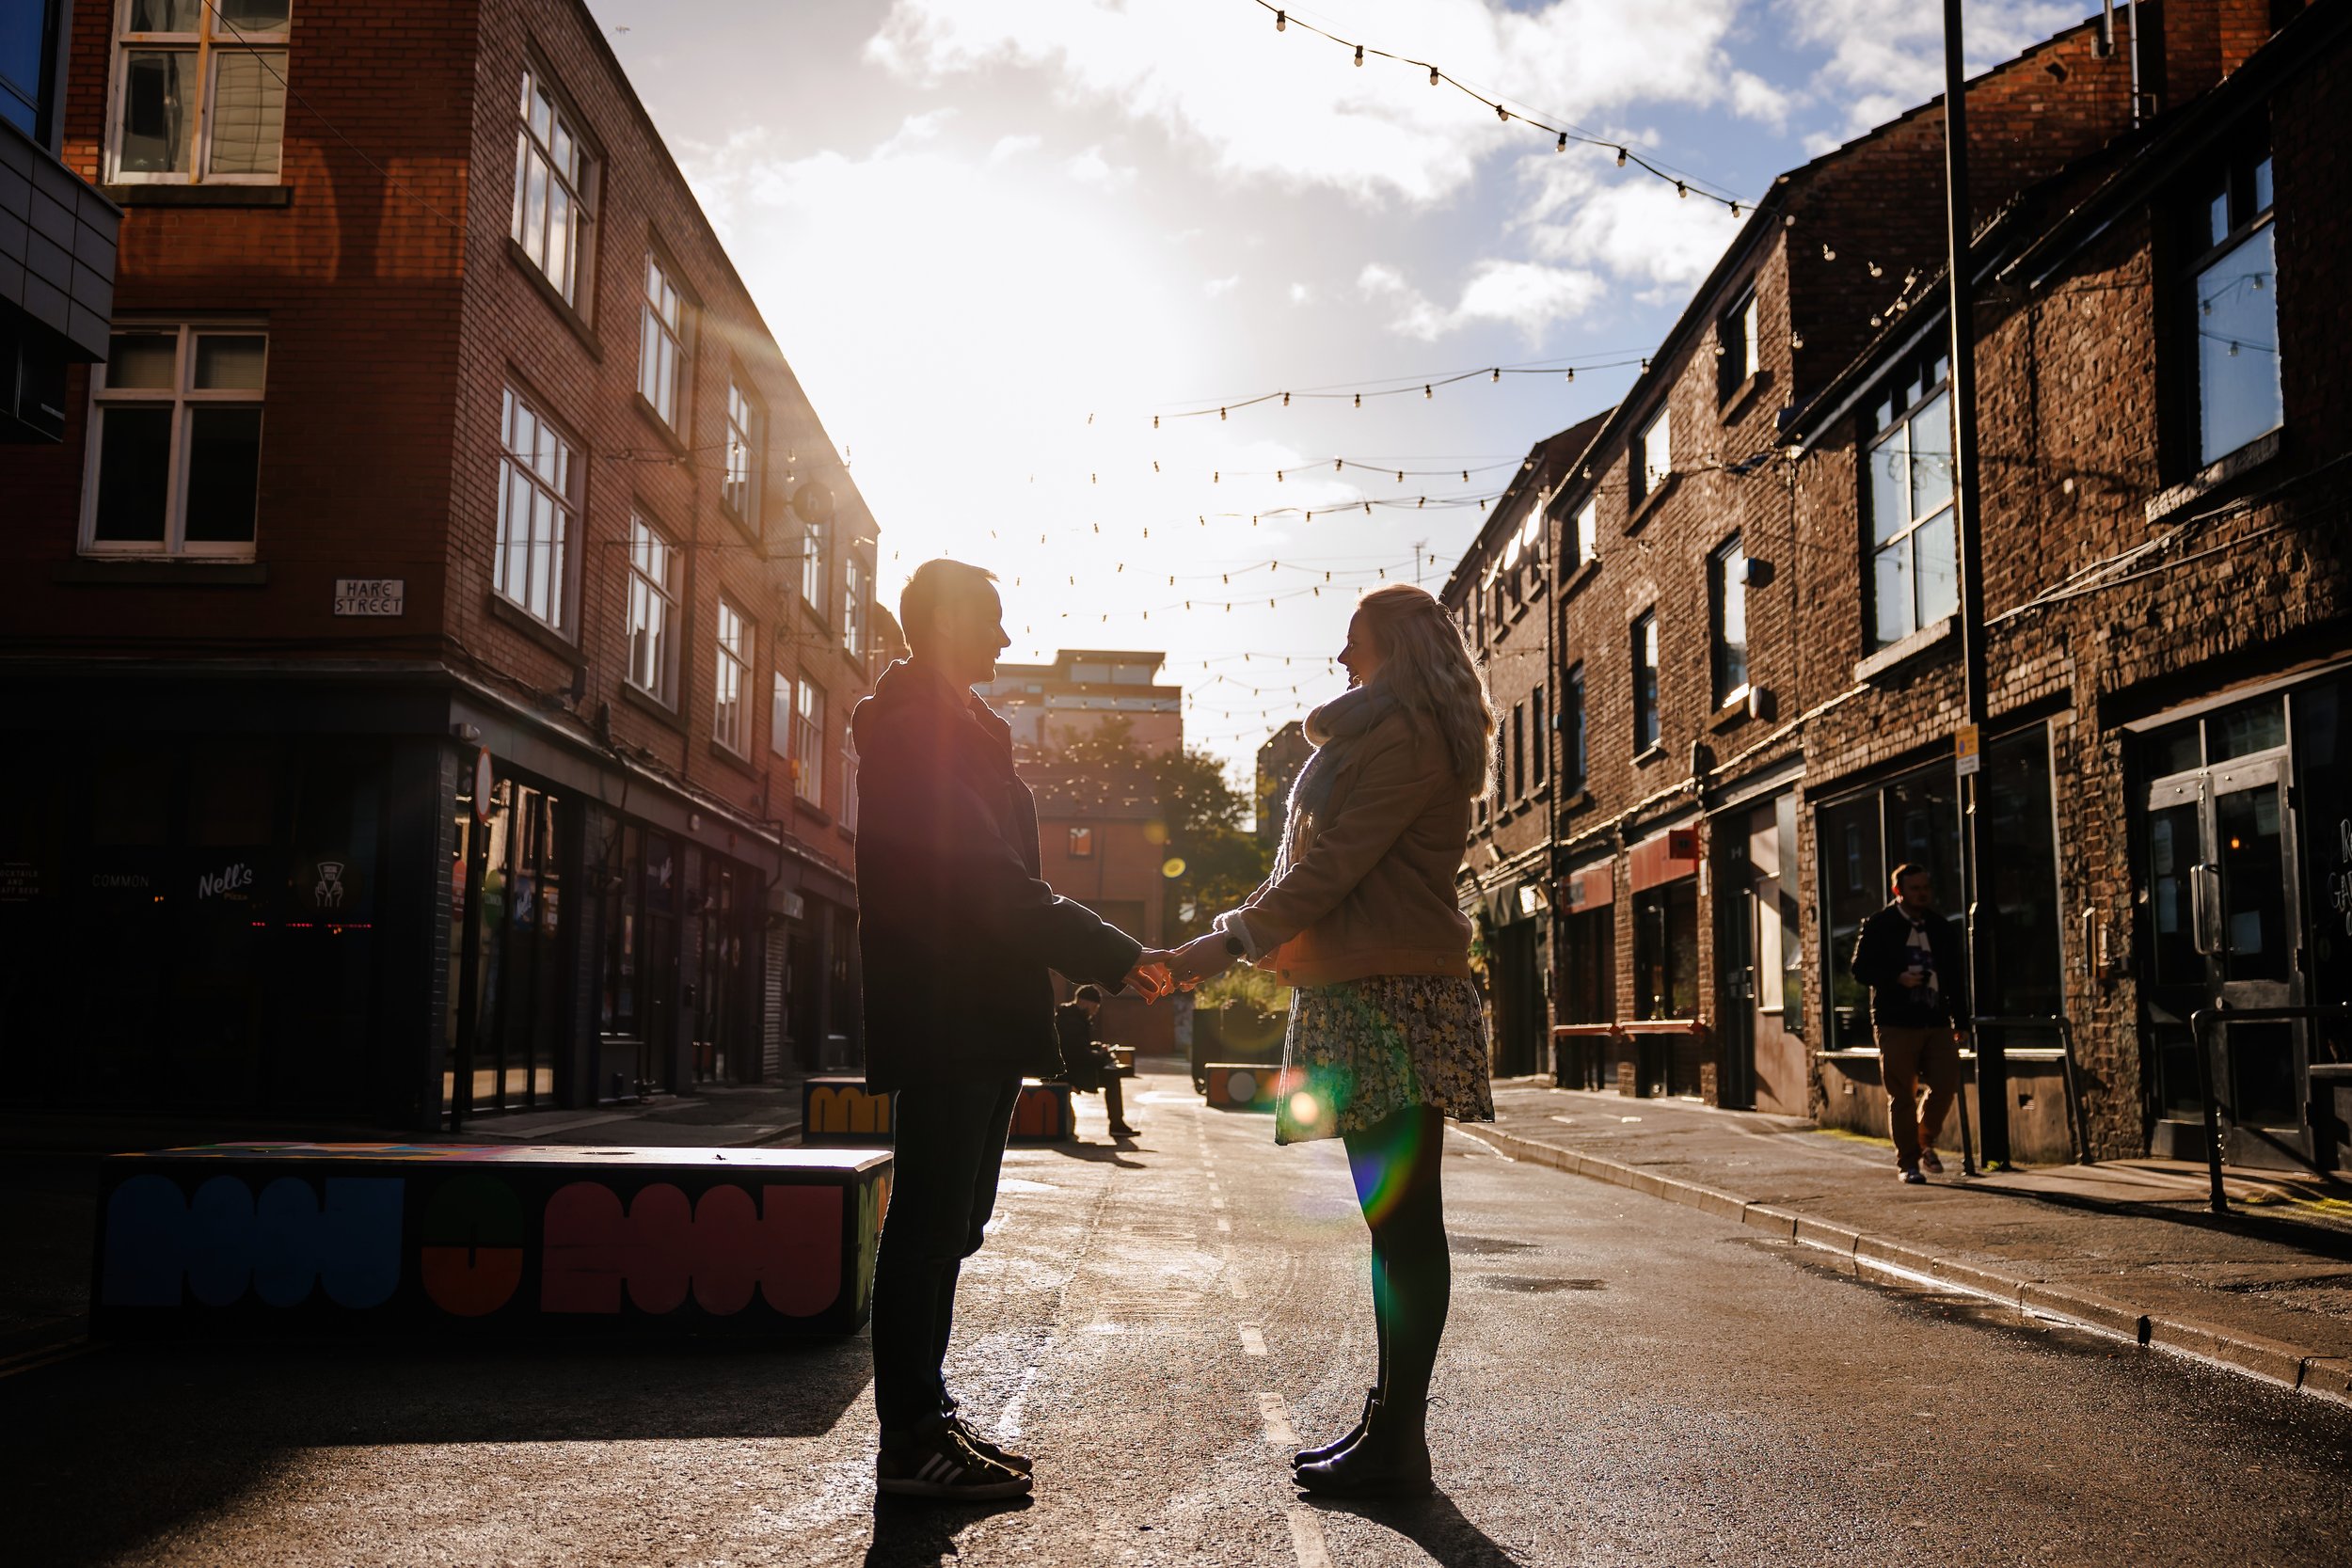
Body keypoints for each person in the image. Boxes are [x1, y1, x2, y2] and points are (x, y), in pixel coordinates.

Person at [852, 558, 1172, 1501]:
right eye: (990, 618)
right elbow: (990, 884)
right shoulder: (921, 731)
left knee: (951, 1221)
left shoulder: (953, 726)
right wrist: (1115, 951)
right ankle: (909, 1437)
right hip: (949, 1002)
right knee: (928, 1222)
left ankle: (927, 1413)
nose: (1002, 636)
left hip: (973, 1005)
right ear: (949, 622)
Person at [1166, 583, 1495, 1498]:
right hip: (1366, 984)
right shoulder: (1385, 727)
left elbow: (1332, 862)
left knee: (1402, 1223)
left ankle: (1399, 1442)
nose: (1341, 659)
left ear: (1389, 642)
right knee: (1391, 1225)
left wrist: (1222, 940)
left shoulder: (1406, 735)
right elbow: (1334, 869)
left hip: (1394, 995)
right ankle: (1390, 1425)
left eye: (1351, 642)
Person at [1851, 863, 1968, 1184]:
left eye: (1926, 888)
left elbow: (1955, 977)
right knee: (1902, 1094)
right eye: (1915, 889)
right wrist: (1897, 978)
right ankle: (1908, 1163)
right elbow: (1860, 970)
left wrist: (1962, 1019)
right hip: (1896, 1021)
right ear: (1898, 891)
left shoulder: (1941, 927)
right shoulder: (1879, 924)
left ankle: (1923, 1140)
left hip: (1936, 1019)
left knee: (1945, 1084)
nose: (1922, 894)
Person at [1055, 984, 1138, 1139]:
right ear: (1086, 1003)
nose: (1095, 1012)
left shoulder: (1070, 1017)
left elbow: (1077, 1046)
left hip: (1068, 1066)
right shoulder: (1073, 1021)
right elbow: (1079, 1054)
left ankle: (1117, 1124)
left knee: (1112, 1073)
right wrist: (1101, 1056)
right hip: (1070, 1071)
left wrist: (1097, 1048)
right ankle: (1116, 1124)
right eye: (1095, 1008)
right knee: (1112, 1077)